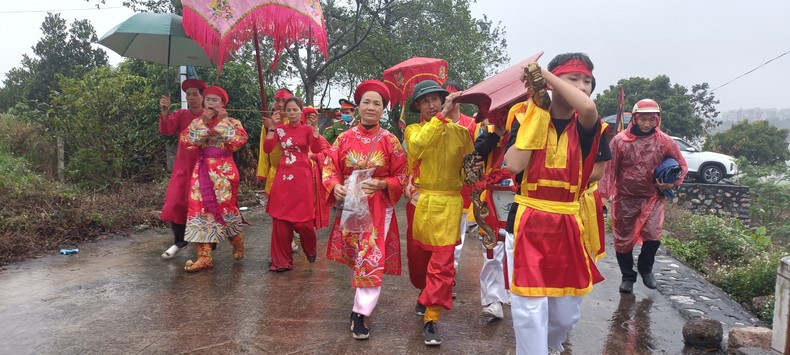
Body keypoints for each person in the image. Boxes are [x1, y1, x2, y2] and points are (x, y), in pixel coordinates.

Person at [503, 53, 604, 354]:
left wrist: (542, 75)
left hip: (568, 222)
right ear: (558, 82)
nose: (583, 86)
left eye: (587, 80)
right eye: (574, 78)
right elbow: (513, 165)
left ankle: (550, 345)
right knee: (529, 308)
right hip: (526, 220)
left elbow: (587, 106)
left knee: (565, 313)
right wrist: (536, 107)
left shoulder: (588, 124)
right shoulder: (524, 116)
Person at [323, 80, 407, 340]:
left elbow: (402, 175)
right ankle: (360, 300)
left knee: (371, 256)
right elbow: (330, 167)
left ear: (383, 109)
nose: (371, 107)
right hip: (350, 206)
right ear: (358, 106)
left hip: (378, 207)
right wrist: (334, 185)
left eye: (377, 103)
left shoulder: (390, 141)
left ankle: (361, 312)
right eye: (366, 102)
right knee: (354, 254)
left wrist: (383, 183)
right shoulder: (343, 138)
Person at [403, 79, 474, 346]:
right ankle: (424, 292)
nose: (432, 105)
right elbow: (418, 146)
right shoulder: (412, 131)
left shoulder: (462, 133)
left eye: (437, 99)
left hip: (449, 204)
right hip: (421, 204)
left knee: (443, 266)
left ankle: (432, 318)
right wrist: (442, 117)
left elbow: (468, 171)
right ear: (418, 107)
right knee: (418, 261)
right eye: (426, 101)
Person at [599, 98, 688, 293]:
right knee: (623, 240)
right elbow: (609, 170)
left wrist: (671, 183)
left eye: (652, 119)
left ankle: (645, 268)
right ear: (635, 118)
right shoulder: (620, 141)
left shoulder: (665, 141)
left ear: (658, 120)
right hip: (625, 198)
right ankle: (627, 277)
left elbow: (681, 165)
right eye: (643, 119)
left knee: (653, 236)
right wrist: (603, 195)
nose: (647, 124)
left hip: (653, 197)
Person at [180, 86, 249, 272]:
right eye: (208, 99)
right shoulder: (198, 121)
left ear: (223, 104)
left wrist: (222, 121)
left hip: (224, 172)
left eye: (214, 100)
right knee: (198, 210)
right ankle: (204, 258)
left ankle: (237, 240)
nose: (210, 103)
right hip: (201, 171)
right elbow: (186, 142)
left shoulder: (233, 122)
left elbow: (238, 142)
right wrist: (202, 122)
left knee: (225, 209)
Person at [263, 97, 323, 272]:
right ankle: (281, 261)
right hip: (283, 176)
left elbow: (317, 148)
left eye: (295, 110)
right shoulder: (280, 129)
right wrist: (272, 127)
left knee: (304, 221)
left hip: (302, 176)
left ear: (301, 111)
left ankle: (310, 248)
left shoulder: (307, 129)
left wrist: (316, 128)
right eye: (289, 110)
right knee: (280, 219)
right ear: (285, 113)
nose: (292, 113)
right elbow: (268, 148)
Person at [468, 119, 514, 320]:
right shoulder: (487, 134)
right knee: (492, 247)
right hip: (493, 199)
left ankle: (515, 291)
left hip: (522, 197)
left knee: (518, 248)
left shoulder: (529, 128)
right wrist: (495, 134)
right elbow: (474, 156)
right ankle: (492, 299)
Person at [158, 79, 207, 259]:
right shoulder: (180, 114)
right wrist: (165, 110)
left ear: (202, 97)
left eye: (195, 94)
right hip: (183, 166)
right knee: (176, 202)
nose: (191, 97)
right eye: (189, 94)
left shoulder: (209, 115)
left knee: (203, 204)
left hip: (203, 166)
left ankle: (208, 242)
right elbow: (166, 130)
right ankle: (179, 240)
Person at [441, 81, 477, 297]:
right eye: (447, 96)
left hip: (462, 190)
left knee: (457, 238)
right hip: (439, 187)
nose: (451, 100)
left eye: (455, 96)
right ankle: (438, 275)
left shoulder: (472, 124)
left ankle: (449, 276)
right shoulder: (436, 123)